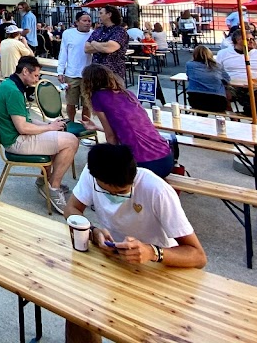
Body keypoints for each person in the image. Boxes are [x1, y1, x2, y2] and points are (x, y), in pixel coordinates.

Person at [63, 144, 206, 343]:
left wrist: (152, 252)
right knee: (77, 311)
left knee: (141, 330)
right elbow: (71, 209)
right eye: (109, 192)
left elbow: (198, 256)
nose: (116, 197)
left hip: (159, 270)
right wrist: (93, 231)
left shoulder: (156, 190)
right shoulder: (91, 173)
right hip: (116, 260)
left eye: (123, 192)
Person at [0, 55, 80, 214]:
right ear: (25, 71)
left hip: (15, 137)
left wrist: (48, 125)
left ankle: (44, 181)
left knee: (60, 135)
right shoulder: (14, 92)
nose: (37, 79)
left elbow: (26, 120)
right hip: (16, 142)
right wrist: (49, 128)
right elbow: (23, 128)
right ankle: (53, 188)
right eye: (36, 75)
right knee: (71, 141)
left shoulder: (10, 84)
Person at [80, 64, 175, 178]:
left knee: (98, 165)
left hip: (144, 165)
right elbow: (128, 129)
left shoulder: (98, 97)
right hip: (166, 158)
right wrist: (97, 127)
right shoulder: (128, 94)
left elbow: (111, 137)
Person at [215, 29, 257, 117]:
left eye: (253, 39)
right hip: (233, 86)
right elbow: (217, 71)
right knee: (222, 95)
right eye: (248, 39)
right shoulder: (223, 54)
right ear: (238, 40)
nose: (252, 42)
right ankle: (233, 118)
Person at [58, 11, 93, 122]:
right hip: (72, 74)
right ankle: (71, 122)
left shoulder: (93, 34)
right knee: (70, 102)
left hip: (88, 75)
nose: (87, 23)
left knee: (87, 104)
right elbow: (63, 52)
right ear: (77, 22)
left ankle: (86, 125)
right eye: (84, 20)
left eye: (89, 21)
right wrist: (60, 71)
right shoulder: (68, 34)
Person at [85, 6, 129, 84]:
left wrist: (94, 43)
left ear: (109, 14)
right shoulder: (98, 30)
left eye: (101, 13)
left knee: (113, 96)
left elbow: (109, 48)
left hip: (113, 74)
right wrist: (103, 45)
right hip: (96, 73)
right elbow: (87, 49)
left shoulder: (120, 31)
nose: (99, 16)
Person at [185, 45, 232, 113]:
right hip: (217, 100)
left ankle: (201, 120)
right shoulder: (217, 66)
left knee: (200, 110)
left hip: (195, 100)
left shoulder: (189, 65)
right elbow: (227, 79)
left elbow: (188, 75)